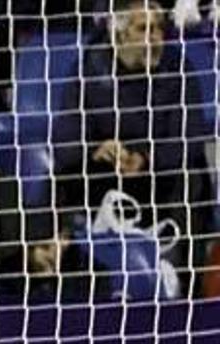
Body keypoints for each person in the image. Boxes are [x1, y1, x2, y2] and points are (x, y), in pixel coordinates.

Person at [52, 0, 212, 277]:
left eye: (159, 29)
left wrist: (146, 159)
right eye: (144, 29)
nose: (155, 39)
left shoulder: (178, 68)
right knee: (65, 176)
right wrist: (96, 149)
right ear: (118, 36)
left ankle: (183, 286)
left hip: (159, 174)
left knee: (192, 179)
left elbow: (189, 137)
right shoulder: (89, 69)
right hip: (107, 174)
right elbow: (66, 138)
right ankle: (80, 283)